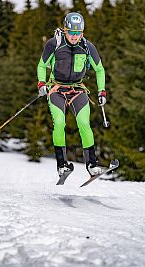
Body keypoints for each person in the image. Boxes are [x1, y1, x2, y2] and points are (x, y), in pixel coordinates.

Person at [37, 12, 107, 180]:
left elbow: (100, 70)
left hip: (77, 89)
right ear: (65, 30)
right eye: (71, 32)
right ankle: (61, 165)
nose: (74, 36)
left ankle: (92, 164)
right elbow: (41, 65)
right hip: (56, 89)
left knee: (84, 123)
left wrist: (101, 91)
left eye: (78, 33)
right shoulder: (53, 44)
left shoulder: (88, 47)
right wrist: (41, 84)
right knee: (59, 123)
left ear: (82, 33)